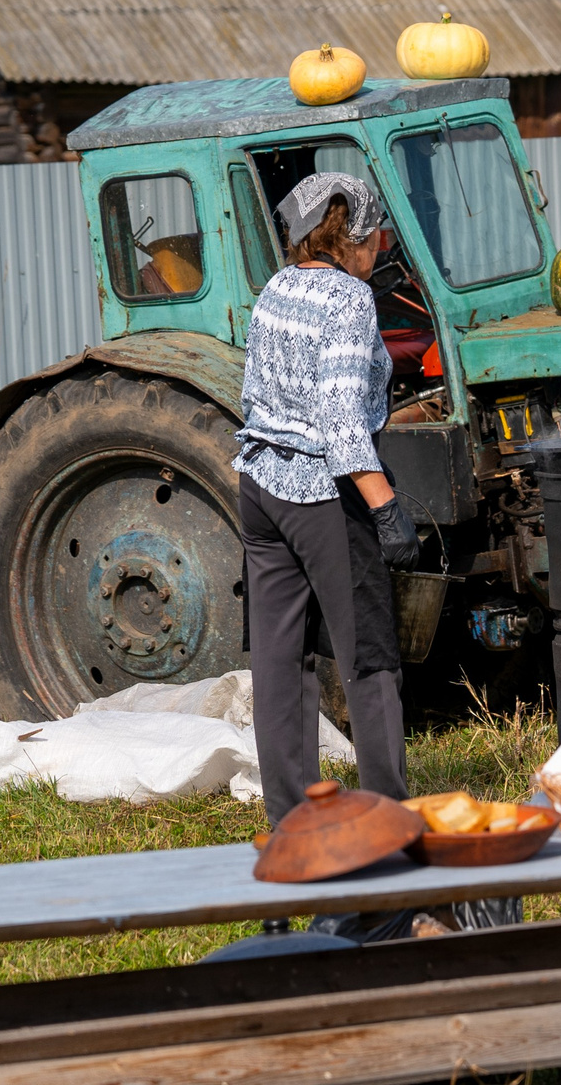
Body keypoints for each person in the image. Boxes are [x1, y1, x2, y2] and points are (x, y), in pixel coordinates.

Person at [235, 171, 421, 822]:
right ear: (357, 237)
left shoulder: (275, 287)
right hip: (322, 492)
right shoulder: (348, 300)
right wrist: (386, 507)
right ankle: (387, 814)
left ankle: (291, 820)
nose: (381, 254)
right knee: (368, 654)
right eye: (377, 242)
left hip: (257, 486)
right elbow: (340, 419)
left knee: (281, 663)